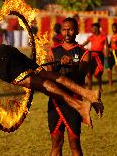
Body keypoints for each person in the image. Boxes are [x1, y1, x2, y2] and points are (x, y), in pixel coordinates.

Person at [46, 17, 93, 156]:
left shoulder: (84, 53)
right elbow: (49, 79)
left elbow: (80, 77)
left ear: (77, 31)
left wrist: (73, 64)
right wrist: (50, 67)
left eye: (70, 29)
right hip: (56, 101)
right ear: (61, 31)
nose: (67, 33)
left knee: (74, 143)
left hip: (74, 101)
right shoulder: (52, 51)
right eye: (64, 30)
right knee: (56, 142)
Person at [82, 23, 109, 91]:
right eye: (92, 28)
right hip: (91, 56)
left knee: (98, 73)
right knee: (89, 73)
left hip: (99, 56)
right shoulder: (91, 37)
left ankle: (100, 88)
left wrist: (107, 56)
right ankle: (89, 89)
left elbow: (107, 47)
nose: (92, 29)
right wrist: (78, 46)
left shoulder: (104, 37)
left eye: (93, 28)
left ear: (97, 28)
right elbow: (84, 43)